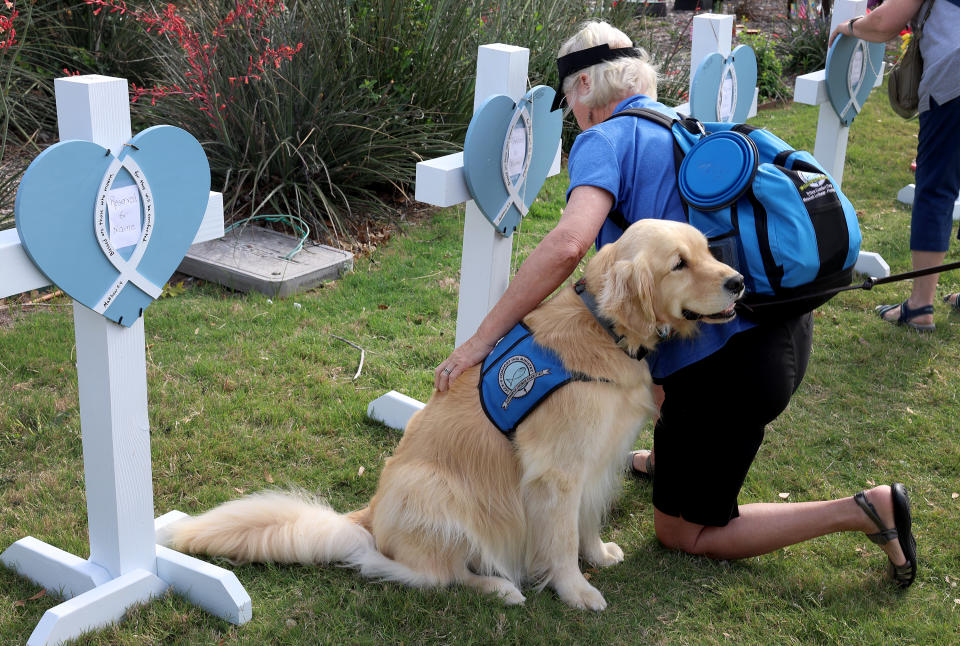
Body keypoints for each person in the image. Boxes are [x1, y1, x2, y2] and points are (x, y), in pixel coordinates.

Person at [434, 20, 917, 587]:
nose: (574, 116)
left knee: (684, 531)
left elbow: (568, 244)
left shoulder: (604, 137)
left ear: (585, 88)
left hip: (729, 367)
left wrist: (481, 339)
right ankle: (671, 459)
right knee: (650, 381)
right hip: (774, 323)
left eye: (569, 102)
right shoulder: (682, 123)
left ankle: (864, 509)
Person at [828, 0, 960, 332]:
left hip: (954, 77)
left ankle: (919, 306)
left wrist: (848, 27)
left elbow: (886, 21)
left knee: (935, 189)